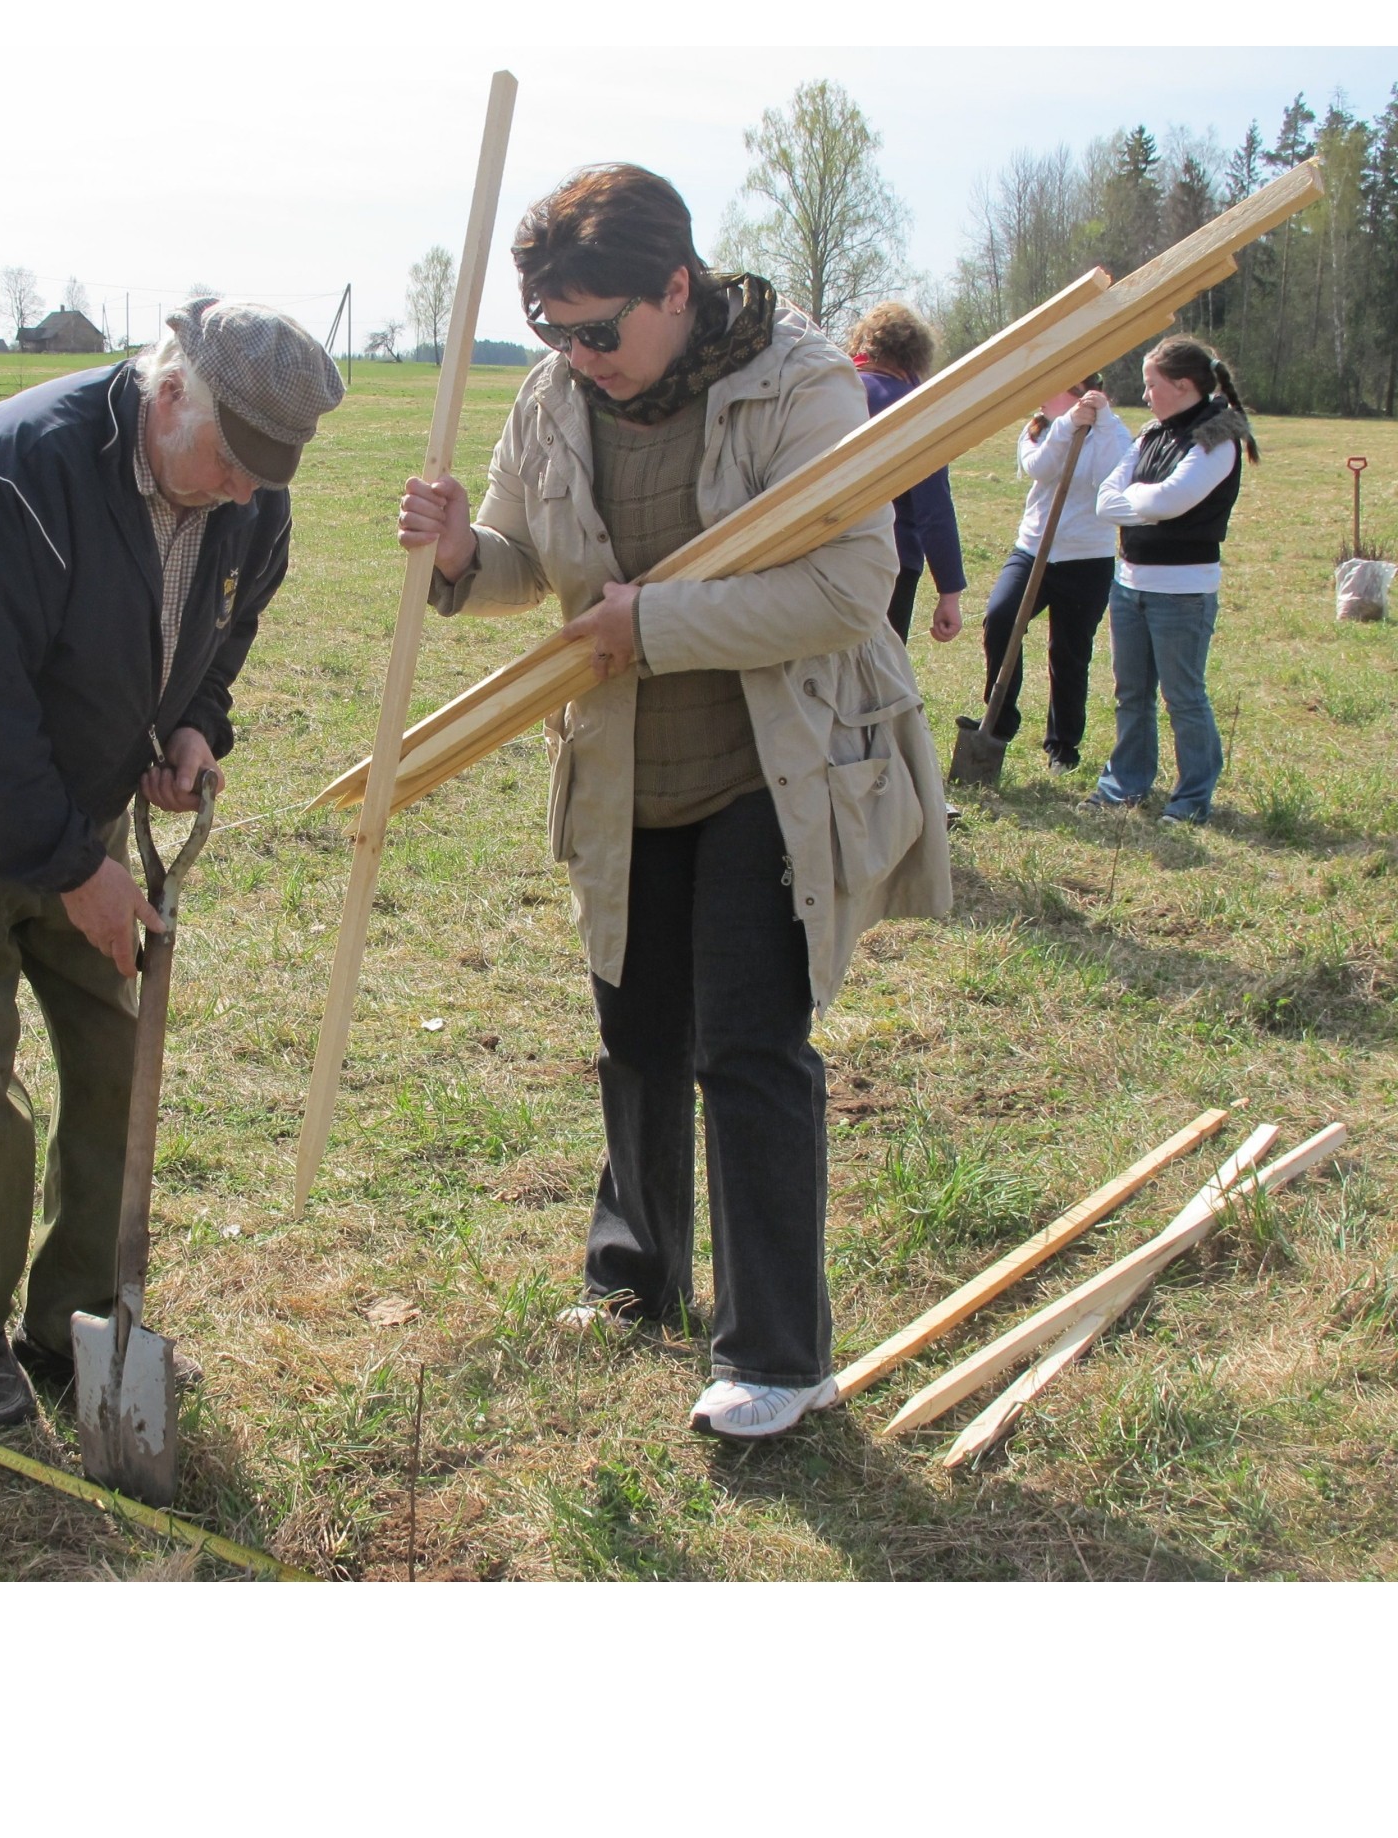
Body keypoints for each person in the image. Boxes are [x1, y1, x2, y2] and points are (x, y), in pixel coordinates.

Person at [397, 164, 950, 1440]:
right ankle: (637, 1272)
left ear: (676, 287)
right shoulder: (552, 399)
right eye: (554, 330)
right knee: (635, 1030)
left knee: (744, 1045)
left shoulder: (796, 380)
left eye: (599, 329)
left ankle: (776, 1355)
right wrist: (457, 557)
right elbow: (524, 564)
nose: (577, 355)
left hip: (774, 760)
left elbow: (850, 585)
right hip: (622, 764)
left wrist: (655, 625)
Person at [0, 301, 343, 1429]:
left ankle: (72, 1321)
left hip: (75, 796)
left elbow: (228, 624)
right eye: (232, 460)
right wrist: (75, 868)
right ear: (170, 398)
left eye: (268, 473)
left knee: (119, 1052)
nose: (245, 492)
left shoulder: (248, 500)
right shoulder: (15, 468)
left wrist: (192, 723)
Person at [1083, 337, 1257, 825]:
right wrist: (1146, 499)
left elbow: (1170, 503)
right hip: (1130, 584)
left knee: (1183, 696)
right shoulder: (1152, 434)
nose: (1145, 395)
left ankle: (1192, 798)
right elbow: (1105, 501)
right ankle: (1124, 785)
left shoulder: (1218, 436)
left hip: (1182, 592)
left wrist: (1140, 499)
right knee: (1131, 693)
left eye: (1151, 385)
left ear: (1182, 386)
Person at [982, 373, 1129, 773]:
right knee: (1000, 620)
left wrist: (1102, 421)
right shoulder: (1039, 429)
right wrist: (1067, 425)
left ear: (1074, 391)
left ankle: (1063, 745)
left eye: (1048, 386)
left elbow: (1108, 477)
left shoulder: (1114, 433)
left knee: (1069, 651)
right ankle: (999, 721)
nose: (1038, 397)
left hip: (1087, 559)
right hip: (1033, 551)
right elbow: (1040, 468)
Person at [847, 303, 965, 648]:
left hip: (823, 556)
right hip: (891, 560)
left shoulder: (830, 393)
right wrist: (949, 592)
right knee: (879, 680)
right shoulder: (915, 408)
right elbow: (934, 507)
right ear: (916, 354)